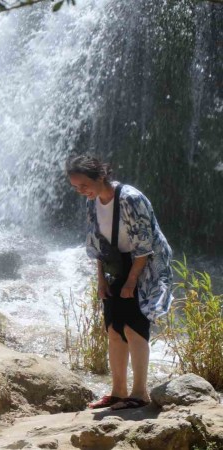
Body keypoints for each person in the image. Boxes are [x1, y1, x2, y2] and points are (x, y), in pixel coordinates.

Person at [67, 154, 172, 411]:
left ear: (101, 176)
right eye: (76, 188)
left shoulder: (131, 199)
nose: (81, 192)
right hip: (117, 263)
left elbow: (145, 245)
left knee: (134, 327)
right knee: (114, 328)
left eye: (83, 185)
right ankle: (117, 392)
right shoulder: (93, 202)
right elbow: (98, 245)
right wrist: (101, 279)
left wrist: (132, 280)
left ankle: (140, 393)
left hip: (144, 264)